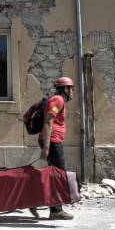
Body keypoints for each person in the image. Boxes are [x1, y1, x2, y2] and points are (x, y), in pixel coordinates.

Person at [29, 76, 75, 220]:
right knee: (58, 176)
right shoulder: (58, 100)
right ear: (66, 89)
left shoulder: (57, 101)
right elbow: (48, 122)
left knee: (56, 175)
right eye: (71, 88)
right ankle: (55, 210)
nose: (72, 92)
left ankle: (42, 203)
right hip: (53, 143)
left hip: (54, 142)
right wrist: (46, 147)